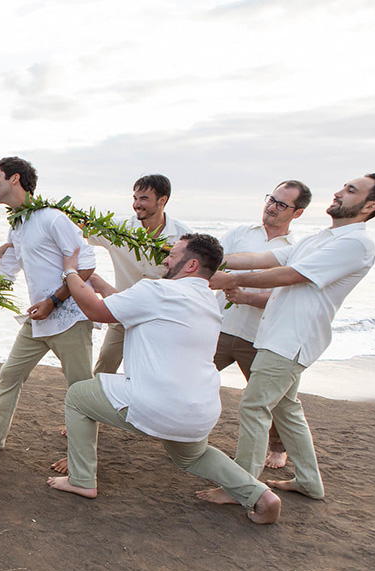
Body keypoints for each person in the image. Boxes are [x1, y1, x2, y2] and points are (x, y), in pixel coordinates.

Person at [47, 234, 282, 524]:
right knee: (192, 457)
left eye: (173, 254)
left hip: (157, 405)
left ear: (191, 264)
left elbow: (96, 310)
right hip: (200, 411)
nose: (166, 259)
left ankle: (82, 480)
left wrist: (70, 272)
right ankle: (260, 494)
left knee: (79, 396)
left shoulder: (158, 290)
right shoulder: (207, 301)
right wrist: (95, 282)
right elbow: (128, 306)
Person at [201, 174, 375, 503]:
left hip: (291, 339)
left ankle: (241, 487)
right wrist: (207, 260)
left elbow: (292, 275)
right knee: (287, 410)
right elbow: (263, 259)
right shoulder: (323, 237)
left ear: (370, 206)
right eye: (343, 186)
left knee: (254, 407)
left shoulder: (357, 243)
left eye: (350, 190)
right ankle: (309, 482)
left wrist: (231, 279)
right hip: (277, 335)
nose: (339, 192)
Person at [0, 157, 95, 451]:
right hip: (39, 318)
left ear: (15, 179)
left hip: (69, 319)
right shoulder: (17, 225)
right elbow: (5, 275)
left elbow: (87, 265)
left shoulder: (52, 218)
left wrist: (53, 301)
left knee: (79, 390)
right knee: (10, 374)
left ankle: (80, 459)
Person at [215, 181, 310, 469]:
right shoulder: (239, 234)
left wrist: (247, 296)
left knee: (274, 400)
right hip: (219, 327)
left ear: (298, 212)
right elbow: (213, 265)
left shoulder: (296, 249)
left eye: (282, 204)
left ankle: (278, 449)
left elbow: (288, 297)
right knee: (189, 375)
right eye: (272, 199)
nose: (272, 206)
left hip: (260, 337)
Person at [88, 174, 193, 374]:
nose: (137, 204)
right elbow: (79, 231)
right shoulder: (118, 230)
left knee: (149, 371)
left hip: (159, 317)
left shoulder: (183, 237)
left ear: (162, 200)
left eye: (143, 198)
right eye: (135, 198)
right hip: (122, 311)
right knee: (104, 366)